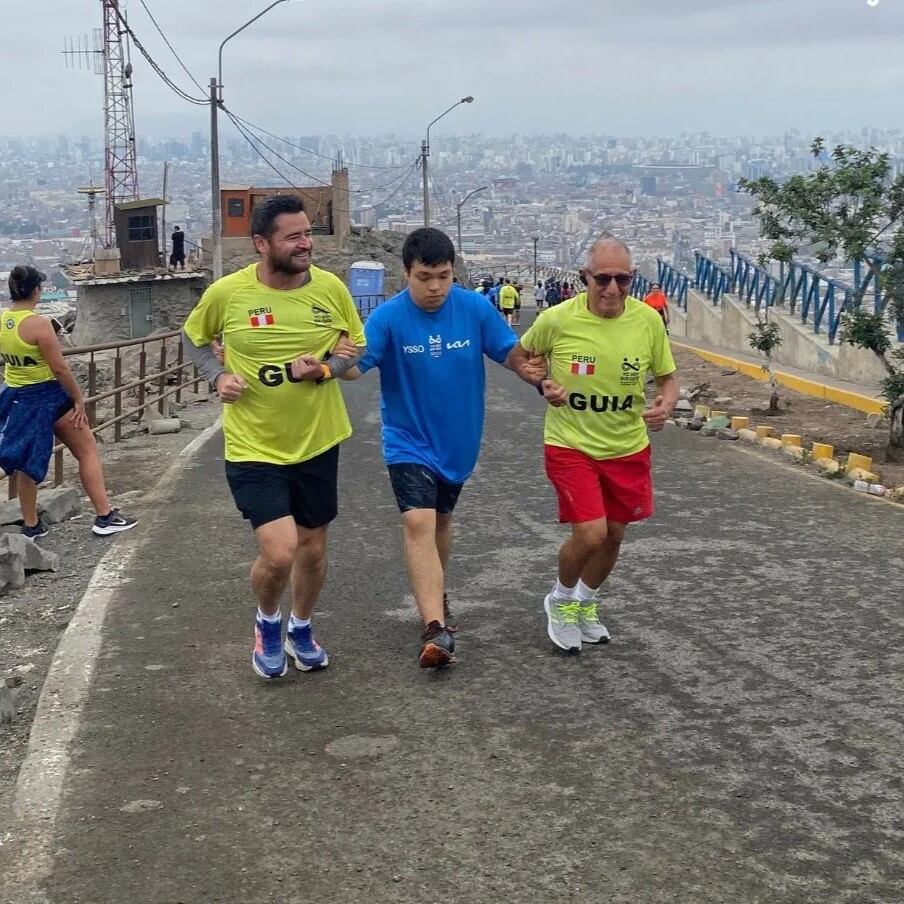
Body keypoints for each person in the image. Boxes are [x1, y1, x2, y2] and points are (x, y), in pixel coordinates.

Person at [182, 195, 365, 680]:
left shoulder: (330, 289)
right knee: (280, 551)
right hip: (253, 444)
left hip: (318, 438)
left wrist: (325, 369)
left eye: (308, 233)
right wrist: (216, 377)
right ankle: (267, 622)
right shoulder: (228, 293)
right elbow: (193, 338)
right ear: (262, 244)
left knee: (313, 548)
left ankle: (300, 626)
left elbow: (355, 350)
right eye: (293, 236)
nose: (306, 244)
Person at [344, 228, 544, 669]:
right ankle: (435, 627)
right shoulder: (388, 318)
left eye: (443, 276)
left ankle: (437, 591)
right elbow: (356, 366)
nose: (435, 287)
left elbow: (508, 351)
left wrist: (531, 372)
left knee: (441, 522)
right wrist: (331, 362)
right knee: (418, 520)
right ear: (406, 275)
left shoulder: (473, 307)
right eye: (424, 277)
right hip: (407, 439)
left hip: (457, 441)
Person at [510, 238, 678, 653]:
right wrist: (539, 381)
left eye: (623, 279)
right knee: (590, 534)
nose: (613, 289)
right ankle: (561, 600)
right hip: (571, 443)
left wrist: (666, 404)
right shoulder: (557, 319)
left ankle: (585, 603)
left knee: (615, 535)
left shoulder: (647, 321)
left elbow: (668, 378)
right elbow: (521, 357)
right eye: (602, 278)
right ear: (585, 277)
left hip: (627, 445)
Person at [0, 266, 137, 539]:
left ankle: (31, 524)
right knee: (87, 451)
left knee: (26, 460)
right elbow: (60, 368)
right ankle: (104, 515)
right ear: (36, 290)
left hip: (17, 397)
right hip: (48, 395)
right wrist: (78, 399)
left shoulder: (3, 321)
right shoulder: (39, 324)